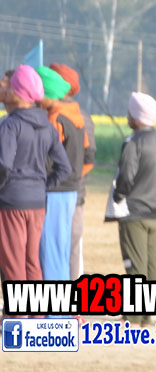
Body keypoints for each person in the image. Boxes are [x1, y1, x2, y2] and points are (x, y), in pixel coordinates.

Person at [111, 93, 156, 325]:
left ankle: (133, 315)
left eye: (130, 113)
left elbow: (126, 176)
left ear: (136, 117)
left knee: (135, 263)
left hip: (134, 212)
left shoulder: (133, 142)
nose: (128, 117)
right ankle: (148, 314)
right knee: (153, 263)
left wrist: (119, 195)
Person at [0, 64, 71, 285]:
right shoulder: (48, 126)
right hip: (38, 203)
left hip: (12, 201)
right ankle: (36, 307)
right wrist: (42, 185)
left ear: (18, 92)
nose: (6, 90)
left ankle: (18, 307)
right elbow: (65, 167)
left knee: (13, 264)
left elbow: (3, 165)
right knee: (33, 262)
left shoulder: (10, 125)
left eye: (10, 87)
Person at [34, 66, 87, 280]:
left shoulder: (55, 119)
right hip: (70, 190)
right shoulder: (76, 115)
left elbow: (46, 156)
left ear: (47, 93)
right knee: (61, 249)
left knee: (49, 250)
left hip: (54, 190)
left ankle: (53, 301)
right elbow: (87, 153)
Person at [48, 63, 96, 279]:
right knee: (68, 250)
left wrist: (67, 179)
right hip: (72, 191)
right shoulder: (77, 114)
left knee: (65, 249)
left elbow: (88, 157)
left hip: (65, 193)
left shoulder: (69, 116)